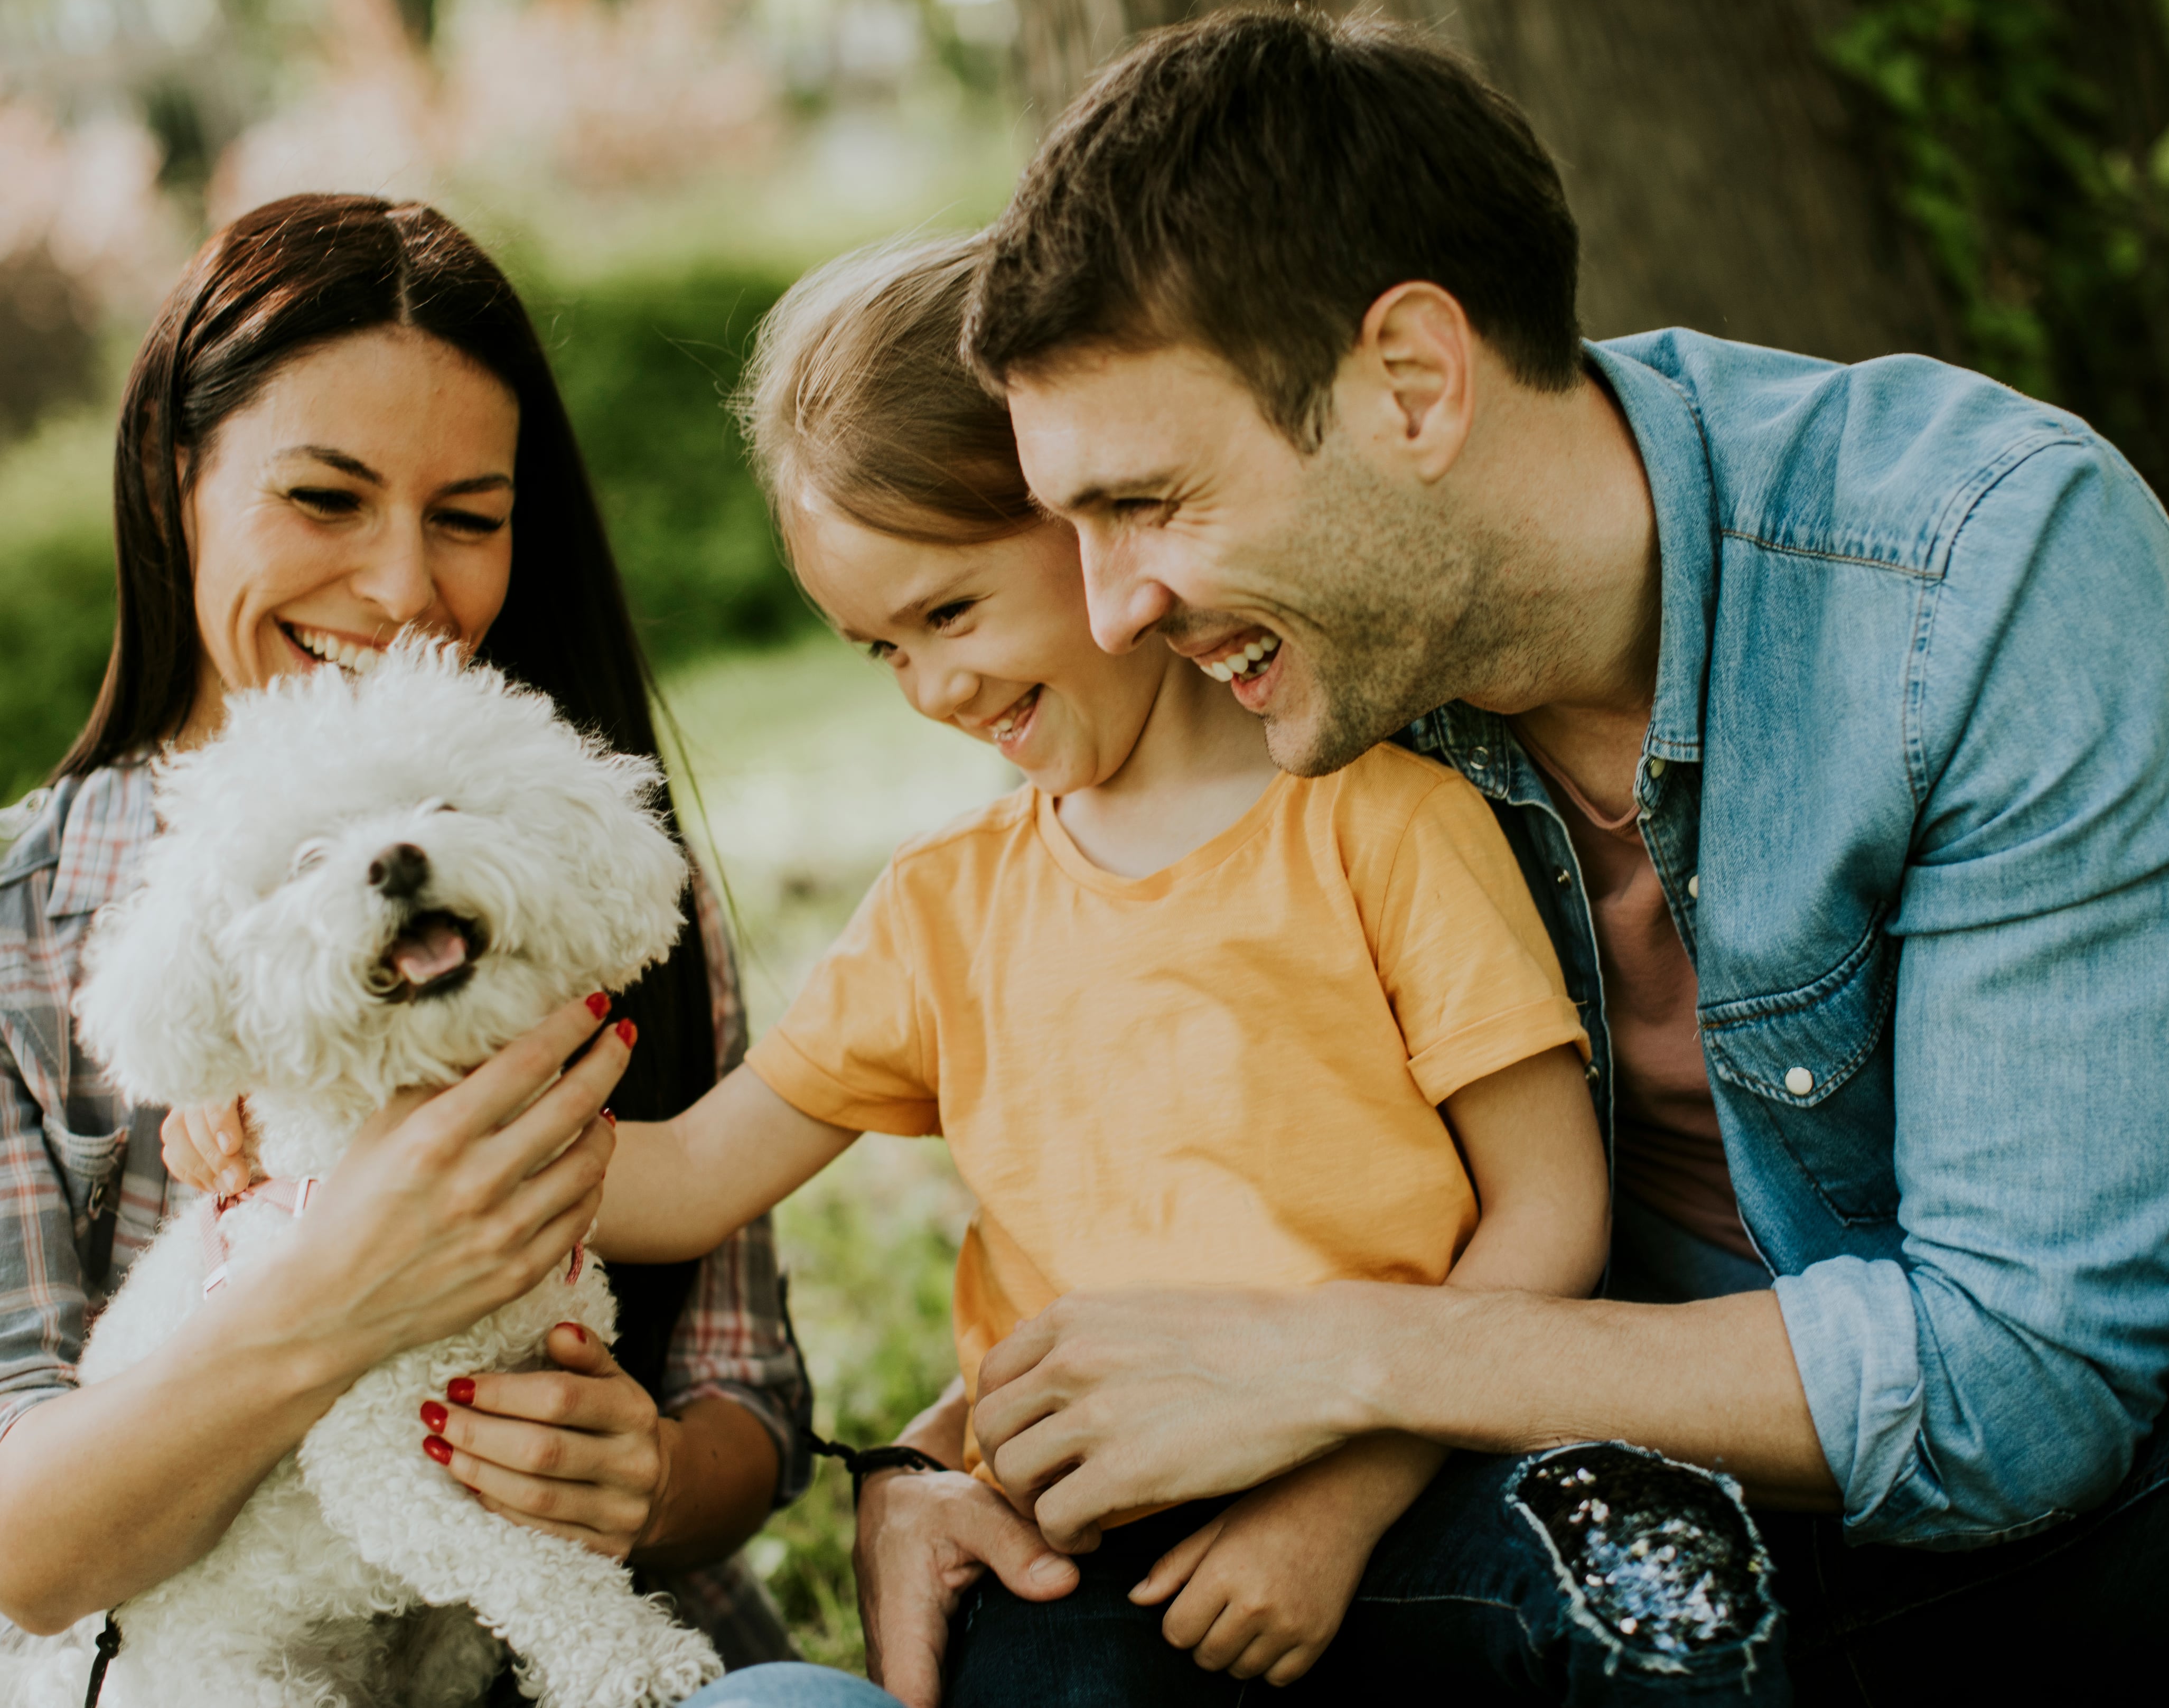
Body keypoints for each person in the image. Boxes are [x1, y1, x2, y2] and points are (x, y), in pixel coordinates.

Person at [850, 6, 2169, 1707]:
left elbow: (2020, 1389)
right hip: (1572, 1560)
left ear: (1414, 383)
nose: (1112, 610)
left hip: (2122, 1522)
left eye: (1147, 504)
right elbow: (1167, 1154)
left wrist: (1360, 1360)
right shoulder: (1284, 700)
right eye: (1071, 527)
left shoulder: (1972, 564)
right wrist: (932, 1464)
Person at [0, 193, 872, 1704]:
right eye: (325, 501)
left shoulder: (549, 875)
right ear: (172, 483)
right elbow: (24, 1545)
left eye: (468, 518)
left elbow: (752, 1414)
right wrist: (342, 1294)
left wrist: (645, 1478)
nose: (403, 593)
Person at [586, 232, 1613, 1705]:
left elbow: (1552, 1211)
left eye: (950, 612)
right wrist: (349, 1131)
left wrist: (1348, 1493)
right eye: (880, 650)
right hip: (1092, 1548)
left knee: (1630, 1611)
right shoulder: (943, 913)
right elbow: (681, 1179)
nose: (934, 689)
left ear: (1092, 520)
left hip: (1408, 1474)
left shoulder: (1384, 823)